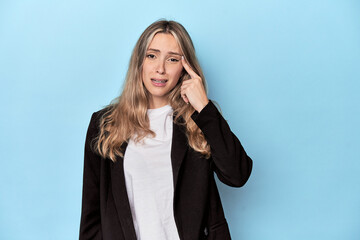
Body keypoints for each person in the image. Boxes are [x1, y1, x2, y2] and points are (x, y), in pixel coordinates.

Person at [79, 19, 253, 240]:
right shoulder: (105, 124)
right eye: (152, 56)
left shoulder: (198, 121)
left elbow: (238, 175)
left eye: (172, 59)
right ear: (139, 61)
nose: (160, 68)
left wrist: (204, 108)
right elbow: (91, 217)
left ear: (185, 67)